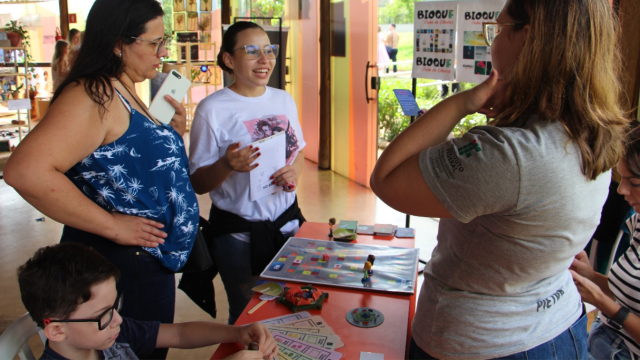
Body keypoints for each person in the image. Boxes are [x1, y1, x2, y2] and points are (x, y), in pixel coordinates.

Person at [370, 0, 629, 358]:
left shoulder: (511, 155)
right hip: (560, 322)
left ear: (528, 38)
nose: (492, 41)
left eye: (498, 29)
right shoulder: (591, 130)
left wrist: (460, 104)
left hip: (486, 342)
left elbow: (386, 178)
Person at [4, 1, 193, 358]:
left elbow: (123, 159)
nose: (163, 52)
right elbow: (24, 172)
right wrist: (111, 225)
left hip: (146, 259)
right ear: (118, 43)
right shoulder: (95, 94)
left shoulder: (123, 89)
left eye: (163, 40)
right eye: (154, 43)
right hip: (122, 264)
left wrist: (168, 136)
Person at [189, 21, 306, 325]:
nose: (265, 60)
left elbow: (299, 150)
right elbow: (198, 183)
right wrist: (227, 165)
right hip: (238, 235)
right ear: (229, 59)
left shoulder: (283, 99)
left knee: (293, 307)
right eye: (252, 51)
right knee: (246, 315)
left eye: (269, 50)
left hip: (287, 224)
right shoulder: (211, 109)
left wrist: (294, 171)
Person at [17, 242, 277, 360]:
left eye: (115, 305)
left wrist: (237, 332)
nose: (117, 318)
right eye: (104, 314)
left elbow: (179, 334)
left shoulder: (112, 333)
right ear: (57, 330)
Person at [571, 121, 640, 360]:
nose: (621, 190)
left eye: (634, 183)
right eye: (621, 178)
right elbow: (632, 292)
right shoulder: (638, 222)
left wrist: (603, 302)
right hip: (603, 343)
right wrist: (591, 276)